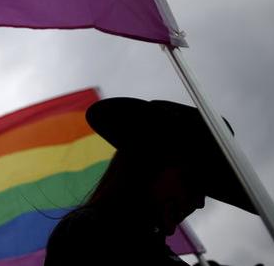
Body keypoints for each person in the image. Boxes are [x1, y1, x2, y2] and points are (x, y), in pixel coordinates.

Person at [44, 97, 254, 265]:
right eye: (192, 183)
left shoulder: (149, 245)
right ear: (150, 164)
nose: (200, 202)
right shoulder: (89, 234)